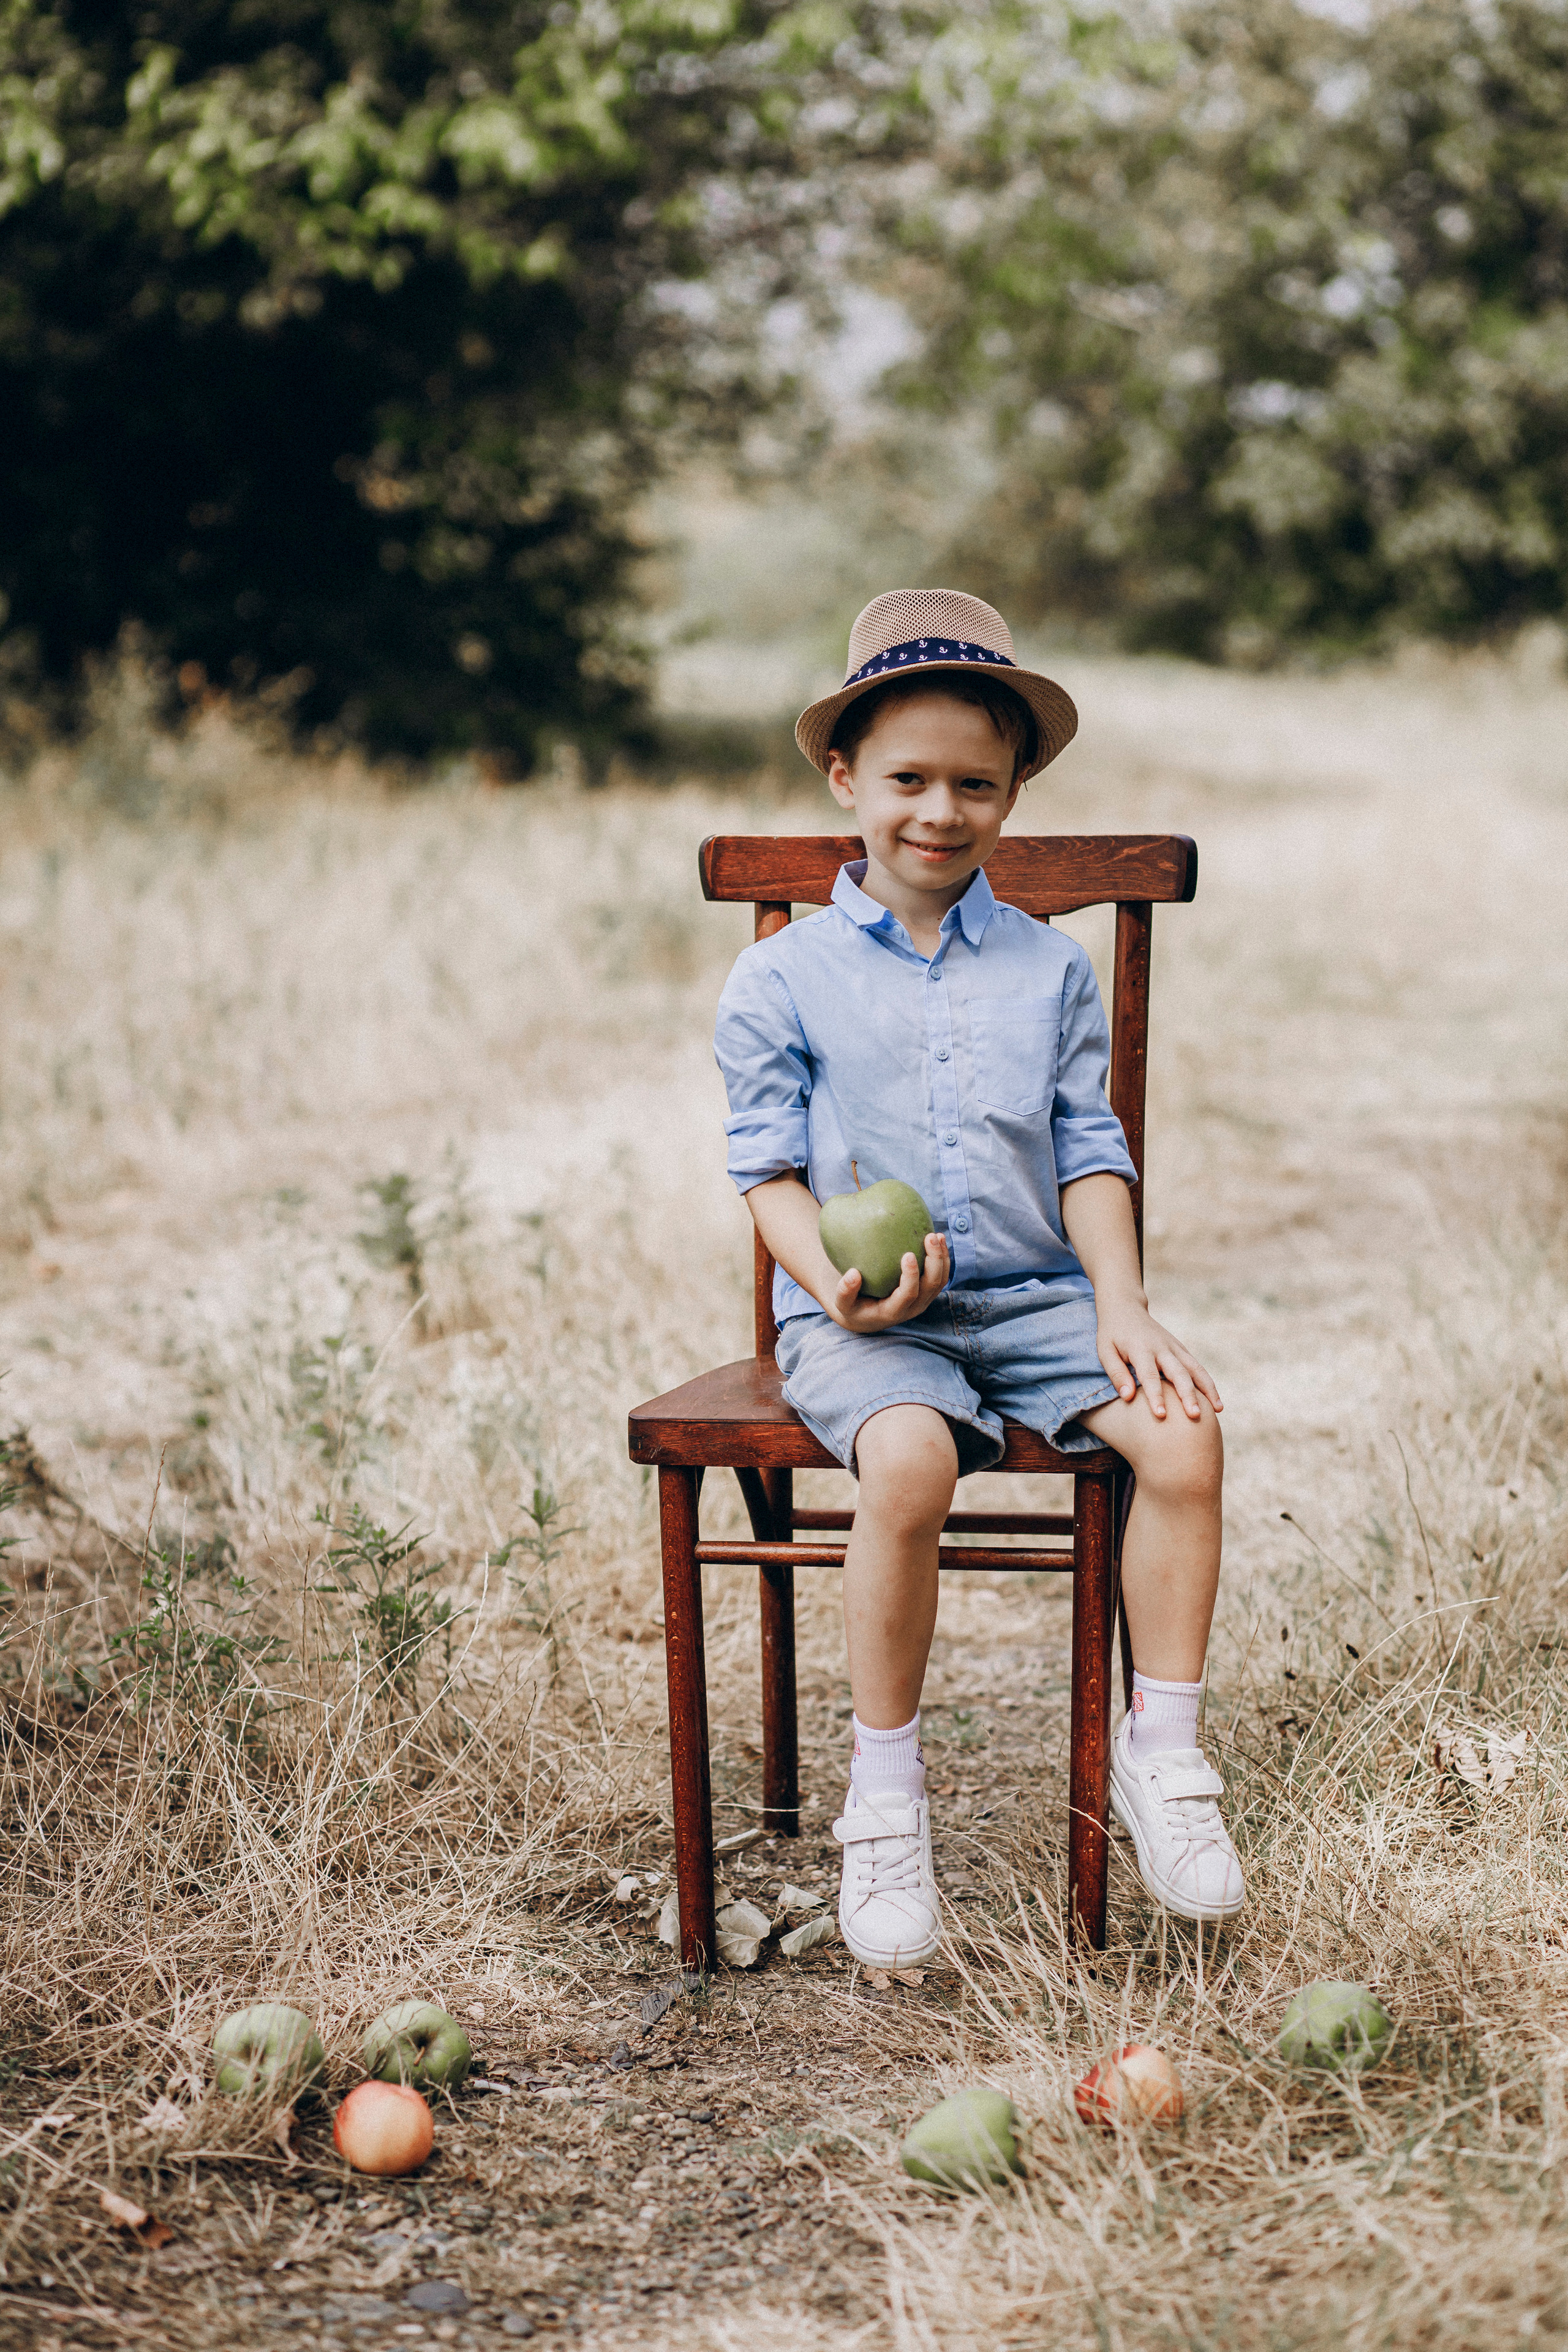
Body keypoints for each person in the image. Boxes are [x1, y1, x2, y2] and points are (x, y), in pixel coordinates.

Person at [712, 588, 1244, 1967]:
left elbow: (1086, 1147)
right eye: (905, 780)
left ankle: (1162, 1756)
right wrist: (829, 1287)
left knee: (1182, 1439)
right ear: (843, 777)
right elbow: (765, 1176)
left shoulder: (1046, 968)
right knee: (903, 1465)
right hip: (864, 1315)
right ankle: (882, 1798)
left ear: (1013, 793)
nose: (937, 812)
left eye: (973, 784)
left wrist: (1119, 1307)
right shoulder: (781, 980)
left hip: (1034, 1300)